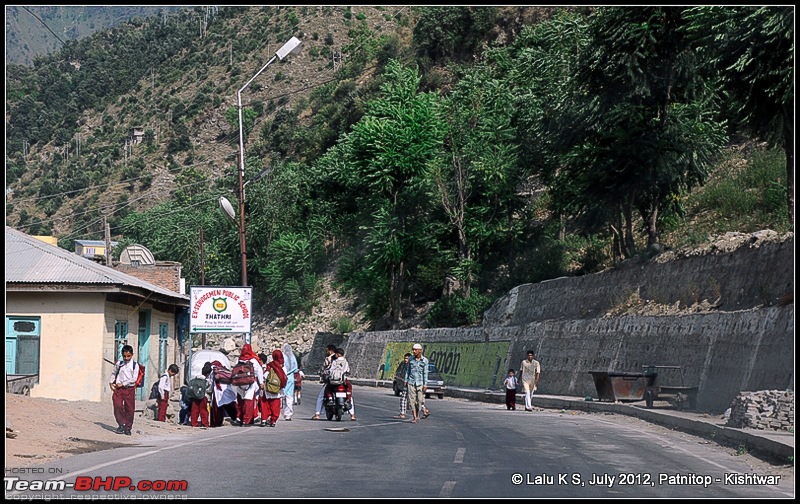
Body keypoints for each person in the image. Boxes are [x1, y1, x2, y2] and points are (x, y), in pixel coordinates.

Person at [108, 344, 140, 436]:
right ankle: (122, 423)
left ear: (132, 355)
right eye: (124, 356)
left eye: (128, 356)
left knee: (129, 409)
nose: (126, 358)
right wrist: (111, 383)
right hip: (118, 389)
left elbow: (134, 379)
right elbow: (114, 373)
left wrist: (123, 383)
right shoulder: (119, 364)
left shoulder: (135, 365)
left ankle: (128, 428)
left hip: (129, 389)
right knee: (117, 405)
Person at [232, 344, 264, 426]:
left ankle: (240, 418)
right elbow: (259, 371)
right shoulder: (253, 360)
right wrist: (261, 383)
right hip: (250, 383)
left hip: (239, 384)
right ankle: (246, 420)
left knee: (241, 401)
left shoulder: (238, 360)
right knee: (249, 402)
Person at [260, 349, 288, 427]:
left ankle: (264, 420)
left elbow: (265, 375)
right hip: (277, 389)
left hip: (268, 388)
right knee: (275, 406)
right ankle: (273, 421)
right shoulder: (282, 366)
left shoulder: (270, 365)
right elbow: (285, 378)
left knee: (265, 404)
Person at [327, 347, 356, 421]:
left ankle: (330, 399)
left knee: (328, 388)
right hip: (343, 381)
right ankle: (352, 413)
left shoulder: (334, 361)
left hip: (334, 381)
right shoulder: (345, 362)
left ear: (338, 354)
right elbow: (348, 370)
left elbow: (330, 370)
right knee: (349, 388)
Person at [404, 343, 429, 424]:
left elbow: (425, 373)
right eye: (413, 350)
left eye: (415, 350)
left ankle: (417, 414)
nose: (414, 351)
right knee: (412, 401)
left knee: (420, 400)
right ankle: (415, 417)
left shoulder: (424, 360)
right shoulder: (411, 359)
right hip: (411, 382)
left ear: (420, 351)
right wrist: (405, 380)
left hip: (420, 383)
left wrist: (425, 384)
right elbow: (408, 370)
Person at [209, 360, 238, 427]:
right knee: (230, 405)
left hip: (218, 391)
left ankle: (216, 422)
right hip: (227, 390)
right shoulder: (224, 370)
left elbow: (211, 381)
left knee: (217, 408)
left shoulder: (213, 372)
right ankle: (236, 418)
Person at [312, 344, 337, 420]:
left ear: (330, 351)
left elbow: (324, 369)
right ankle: (352, 414)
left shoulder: (328, 358)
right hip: (341, 381)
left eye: (327, 350)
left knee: (321, 397)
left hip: (330, 381)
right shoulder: (342, 359)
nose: (326, 352)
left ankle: (317, 414)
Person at [189, 362, 212, 428]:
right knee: (203, 410)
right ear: (208, 373)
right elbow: (209, 390)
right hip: (204, 397)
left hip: (195, 396)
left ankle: (194, 423)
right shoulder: (207, 381)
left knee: (194, 410)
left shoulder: (196, 378)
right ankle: (205, 423)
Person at [282, 344, 299, 421]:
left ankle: (275, 413)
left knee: (280, 395)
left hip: (283, 377)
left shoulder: (283, 357)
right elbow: (296, 369)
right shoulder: (293, 358)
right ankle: (288, 415)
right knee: (289, 397)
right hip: (291, 378)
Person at [393, 353, 412, 419]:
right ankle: (402, 413)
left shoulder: (410, 366)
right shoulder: (404, 365)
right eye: (405, 358)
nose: (405, 360)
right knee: (403, 398)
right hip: (406, 384)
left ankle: (423, 410)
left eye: (407, 358)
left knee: (413, 399)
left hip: (410, 385)